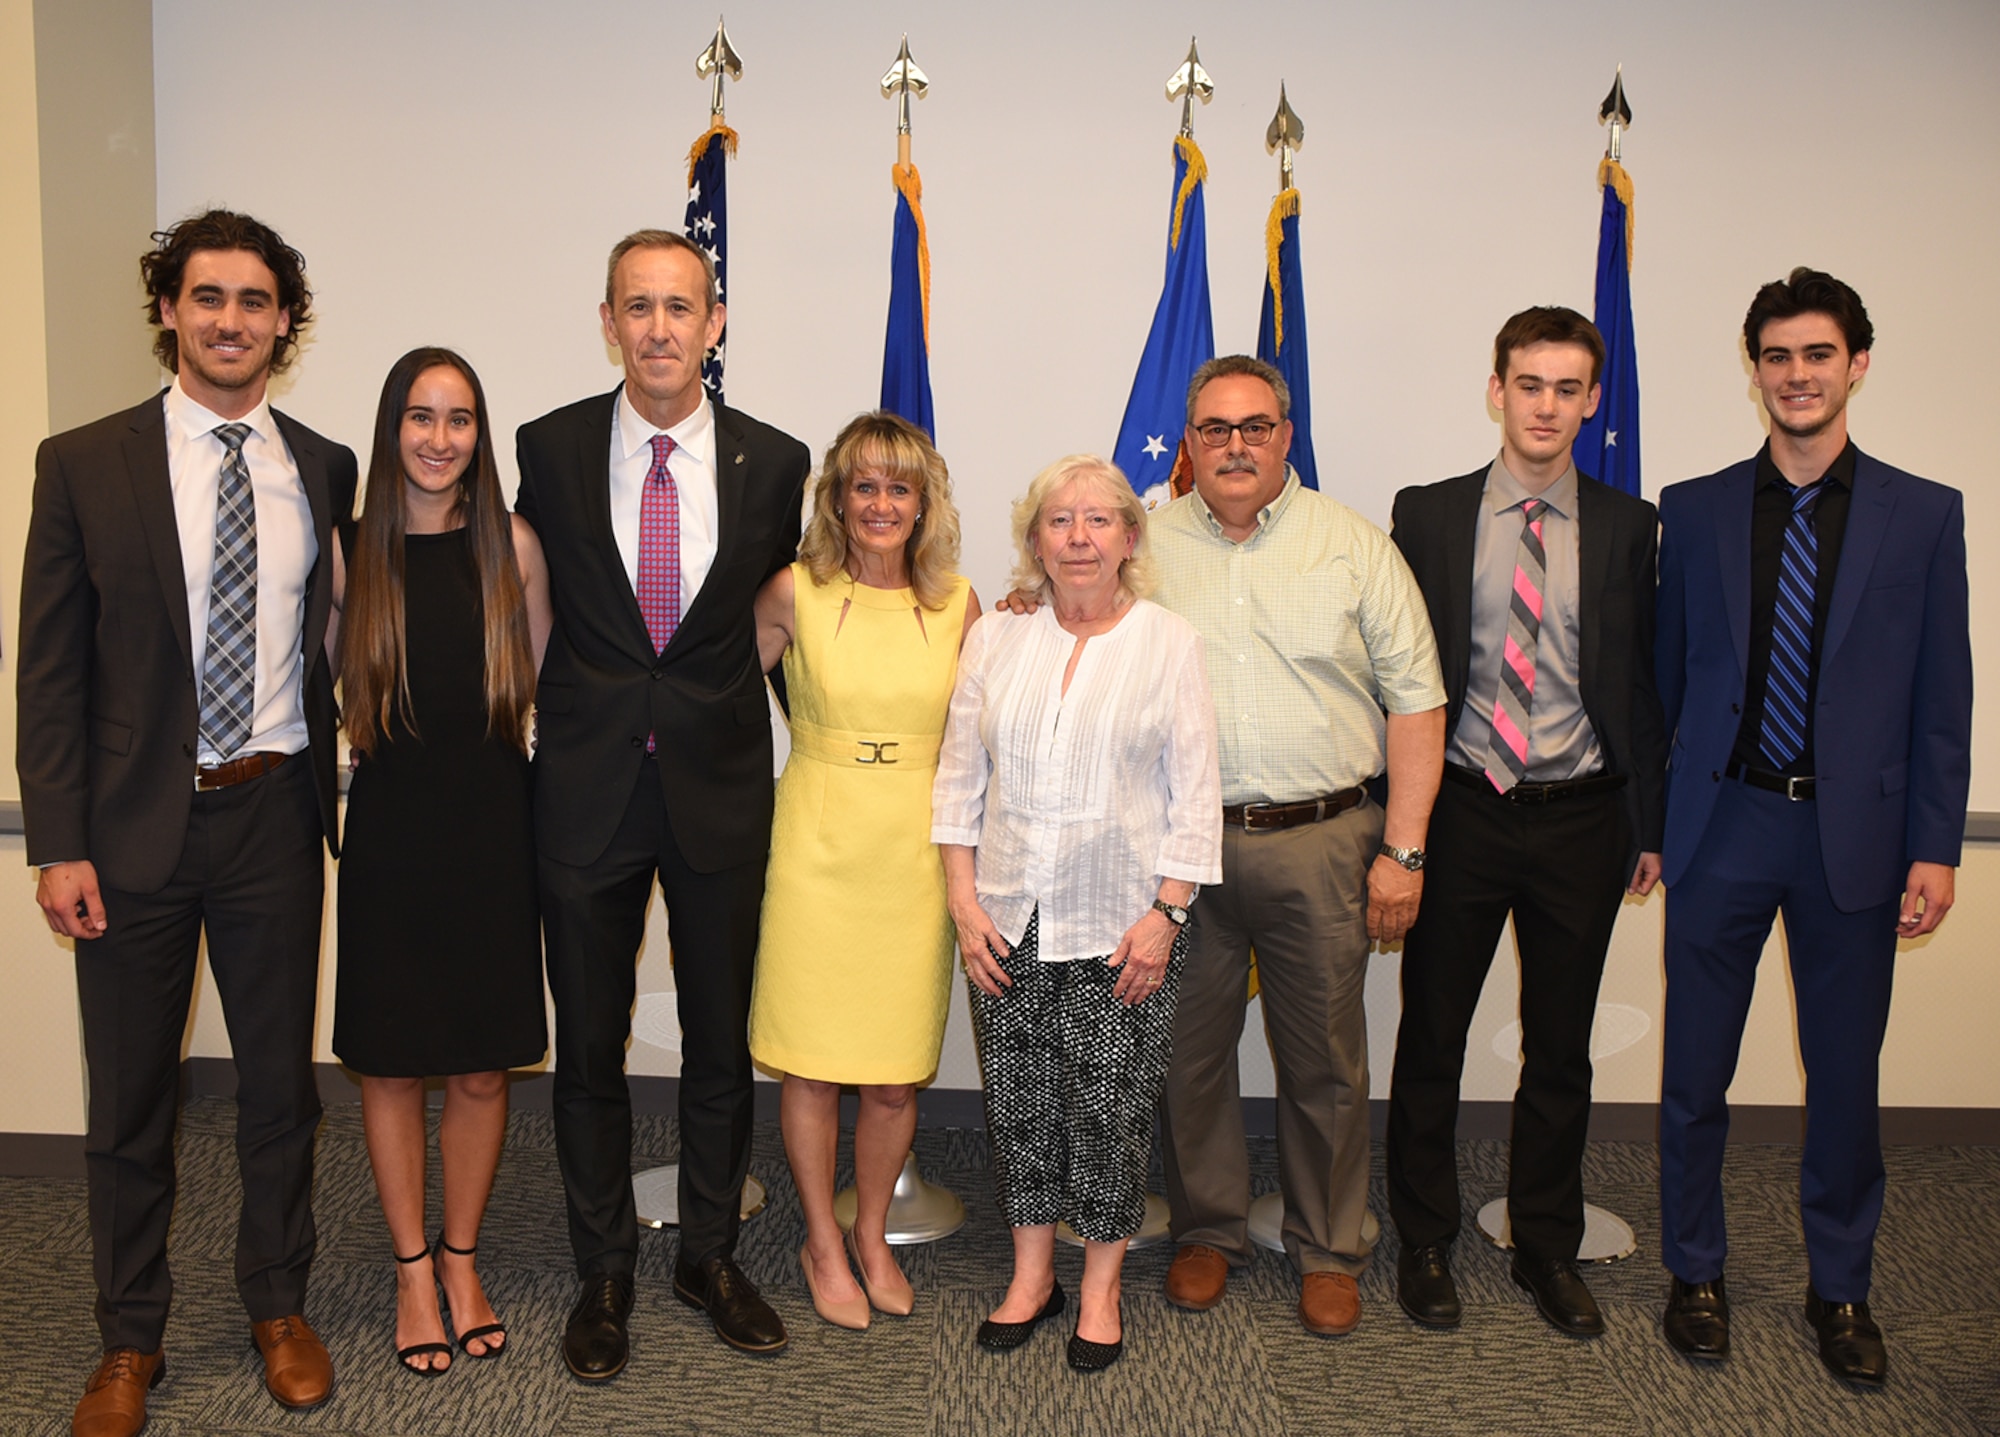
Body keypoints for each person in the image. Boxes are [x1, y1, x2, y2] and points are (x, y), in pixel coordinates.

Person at [18, 210, 355, 1436]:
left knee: (279, 1086)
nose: (230, 320)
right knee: (131, 1099)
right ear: (170, 309)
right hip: (126, 831)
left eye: (255, 301)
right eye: (207, 297)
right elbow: (49, 671)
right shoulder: (83, 461)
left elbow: (334, 642)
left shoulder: (321, 466)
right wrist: (57, 841)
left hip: (272, 813)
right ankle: (128, 1337)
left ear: (283, 321)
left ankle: (276, 1301)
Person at [1654, 268, 1970, 1387]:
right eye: (1776, 357)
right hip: (1721, 825)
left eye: (1817, 356)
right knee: (1694, 1074)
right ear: (1753, 374)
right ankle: (1693, 1270)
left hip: (1856, 843)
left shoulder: (1924, 513)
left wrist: (1933, 843)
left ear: (1855, 366)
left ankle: (1840, 1289)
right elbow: (1665, 681)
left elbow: (1943, 693)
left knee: (1842, 1079)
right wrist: (1655, 824)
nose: (1796, 375)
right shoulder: (1689, 511)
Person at [515, 229, 810, 1373]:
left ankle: (708, 1256)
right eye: (635, 306)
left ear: (713, 322)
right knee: (586, 1047)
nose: (657, 328)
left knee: (718, 1045)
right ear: (606, 322)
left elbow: (802, 606)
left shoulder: (775, 463)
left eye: (678, 306)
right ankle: (603, 1273)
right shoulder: (544, 447)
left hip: (720, 793)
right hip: (584, 793)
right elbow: (525, 600)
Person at [1136, 356, 1446, 1338]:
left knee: (1323, 1062)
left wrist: (1403, 850)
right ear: (1188, 442)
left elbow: (1416, 701)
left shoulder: (1353, 548)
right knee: (1188, 1056)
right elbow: (1070, 631)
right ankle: (1206, 1229)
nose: (1234, 445)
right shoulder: (1140, 543)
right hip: (1180, 847)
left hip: (1322, 842)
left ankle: (1326, 1246)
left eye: (1254, 427)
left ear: (1286, 435)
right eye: (1214, 428)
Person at [1385, 307, 1667, 1337]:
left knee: (1558, 1048)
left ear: (1591, 401)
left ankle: (1545, 1246)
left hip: (1580, 819)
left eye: (1566, 388)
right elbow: (1393, 678)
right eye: (1527, 383)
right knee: (1430, 1035)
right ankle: (1421, 1237)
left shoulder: (1632, 528)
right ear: (1494, 389)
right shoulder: (1426, 515)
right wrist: (1394, 828)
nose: (1545, 406)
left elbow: (1642, 686)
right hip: (1459, 809)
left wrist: (1649, 821)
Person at [936, 454, 1220, 1372]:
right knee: (1020, 1106)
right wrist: (962, 901)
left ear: (1130, 538)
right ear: (1035, 541)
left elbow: (1196, 792)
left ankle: (1099, 1286)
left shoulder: (1169, 640)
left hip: (1125, 924)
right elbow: (957, 780)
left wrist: (1167, 913)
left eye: (1100, 520)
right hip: (1006, 916)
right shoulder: (997, 638)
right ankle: (1031, 1277)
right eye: (1059, 521)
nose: (1080, 537)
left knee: (1108, 1111)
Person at [328, 347, 552, 1374]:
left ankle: (462, 1259)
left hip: (491, 834)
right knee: (389, 1062)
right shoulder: (347, 555)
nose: (438, 437)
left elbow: (536, 681)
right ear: (392, 430)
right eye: (419, 417)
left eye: (458, 419)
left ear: (478, 435)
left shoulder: (511, 547)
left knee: (478, 1062)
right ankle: (411, 1269)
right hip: (390, 842)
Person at [747, 411, 979, 1330]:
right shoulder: (789, 592)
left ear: (924, 504)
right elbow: (713, 705)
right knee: (810, 1066)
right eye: (864, 485)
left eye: (900, 487)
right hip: (817, 843)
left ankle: (872, 1232)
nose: (881, 504)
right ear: (837, 499)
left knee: (890, 1074)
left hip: (915, 852)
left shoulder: (957, 604)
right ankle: (818, 1235)